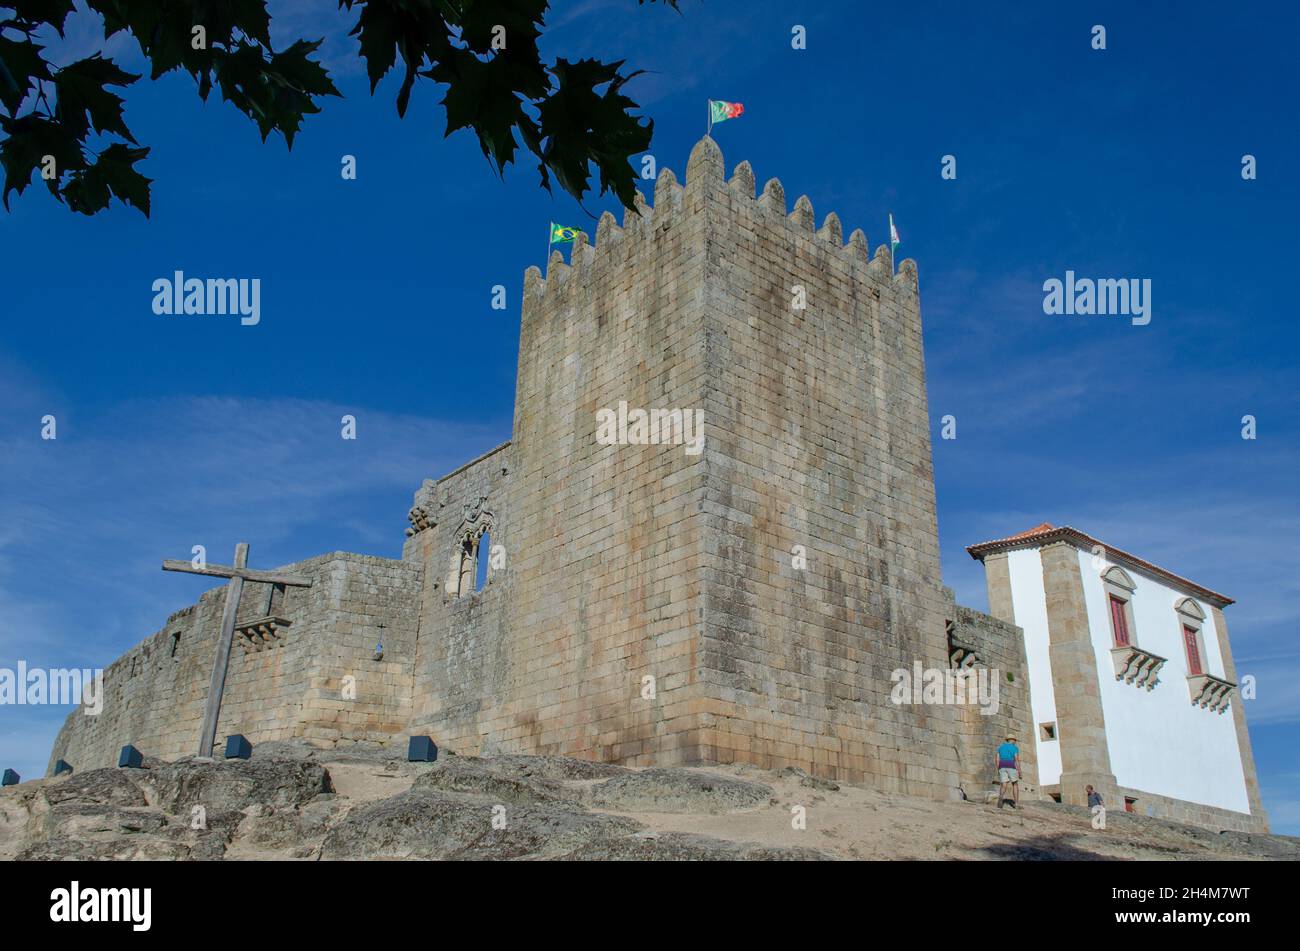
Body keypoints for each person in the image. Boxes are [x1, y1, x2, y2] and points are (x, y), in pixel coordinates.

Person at [996, 733, 1020, 808]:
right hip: (1011, 765)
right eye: (1014, 740)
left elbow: (997, 759)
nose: (1015, 741)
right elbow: (1016, 759)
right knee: (1015, 784)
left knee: (1004, 784)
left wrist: (998, 768)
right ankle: (1016, 804)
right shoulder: (1014, 748)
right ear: (1012, 740)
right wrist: (1019, 771)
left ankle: (1001, 797)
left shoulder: (1000, 747)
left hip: (1002, 765)